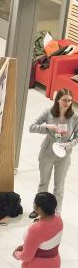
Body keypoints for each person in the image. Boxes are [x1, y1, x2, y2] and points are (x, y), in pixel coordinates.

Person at [3, 192, 62, 268]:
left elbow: (27, 256)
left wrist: (16, 254)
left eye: (35, 202)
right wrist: (27, 246)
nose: (33, 204)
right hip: (52, 264)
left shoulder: (36, 229)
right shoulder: (58, 220)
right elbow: (45, 243)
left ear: (39, 208)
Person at [27, 88, 78, 218]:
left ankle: (57, 212)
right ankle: (38, 208)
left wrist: (69, 144)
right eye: (64, 100)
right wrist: (47, 128)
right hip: (47, 152)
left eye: (70, 101)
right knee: (44, 182)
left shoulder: (74, 117)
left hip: (64, 155)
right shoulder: (49, 113)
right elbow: (32, 127)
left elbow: (77, 136)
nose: (67, 103)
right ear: (58, 100)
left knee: (59, 186)